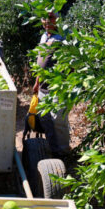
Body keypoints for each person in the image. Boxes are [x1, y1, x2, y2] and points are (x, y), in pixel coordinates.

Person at [31, 12, 72, 157]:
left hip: (58, 87)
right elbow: (40, 59)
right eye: (44, 18)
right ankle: (53, 149)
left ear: (58, 19)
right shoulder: (44, 36)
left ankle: (64, 153)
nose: (47, 21)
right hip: (43, 87)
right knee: (45, 119)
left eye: (51, 17)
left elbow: (72, 62)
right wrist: (36, 82)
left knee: (58, 120)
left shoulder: (64, 37)